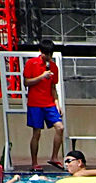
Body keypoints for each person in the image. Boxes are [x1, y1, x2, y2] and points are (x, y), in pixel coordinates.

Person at [23, 39, 65, 171]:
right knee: (37, 133)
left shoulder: (53, 67)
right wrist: (41, 76)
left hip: (49, 103)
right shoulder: (31, 63)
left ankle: (54, 157)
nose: (48, 57)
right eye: (46, 54)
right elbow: (26, 82)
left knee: (60, 127)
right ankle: (34, 162)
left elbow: (53, 87)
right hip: (35, 103)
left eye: (50, 54)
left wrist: (57, 103)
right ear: (40, 52)